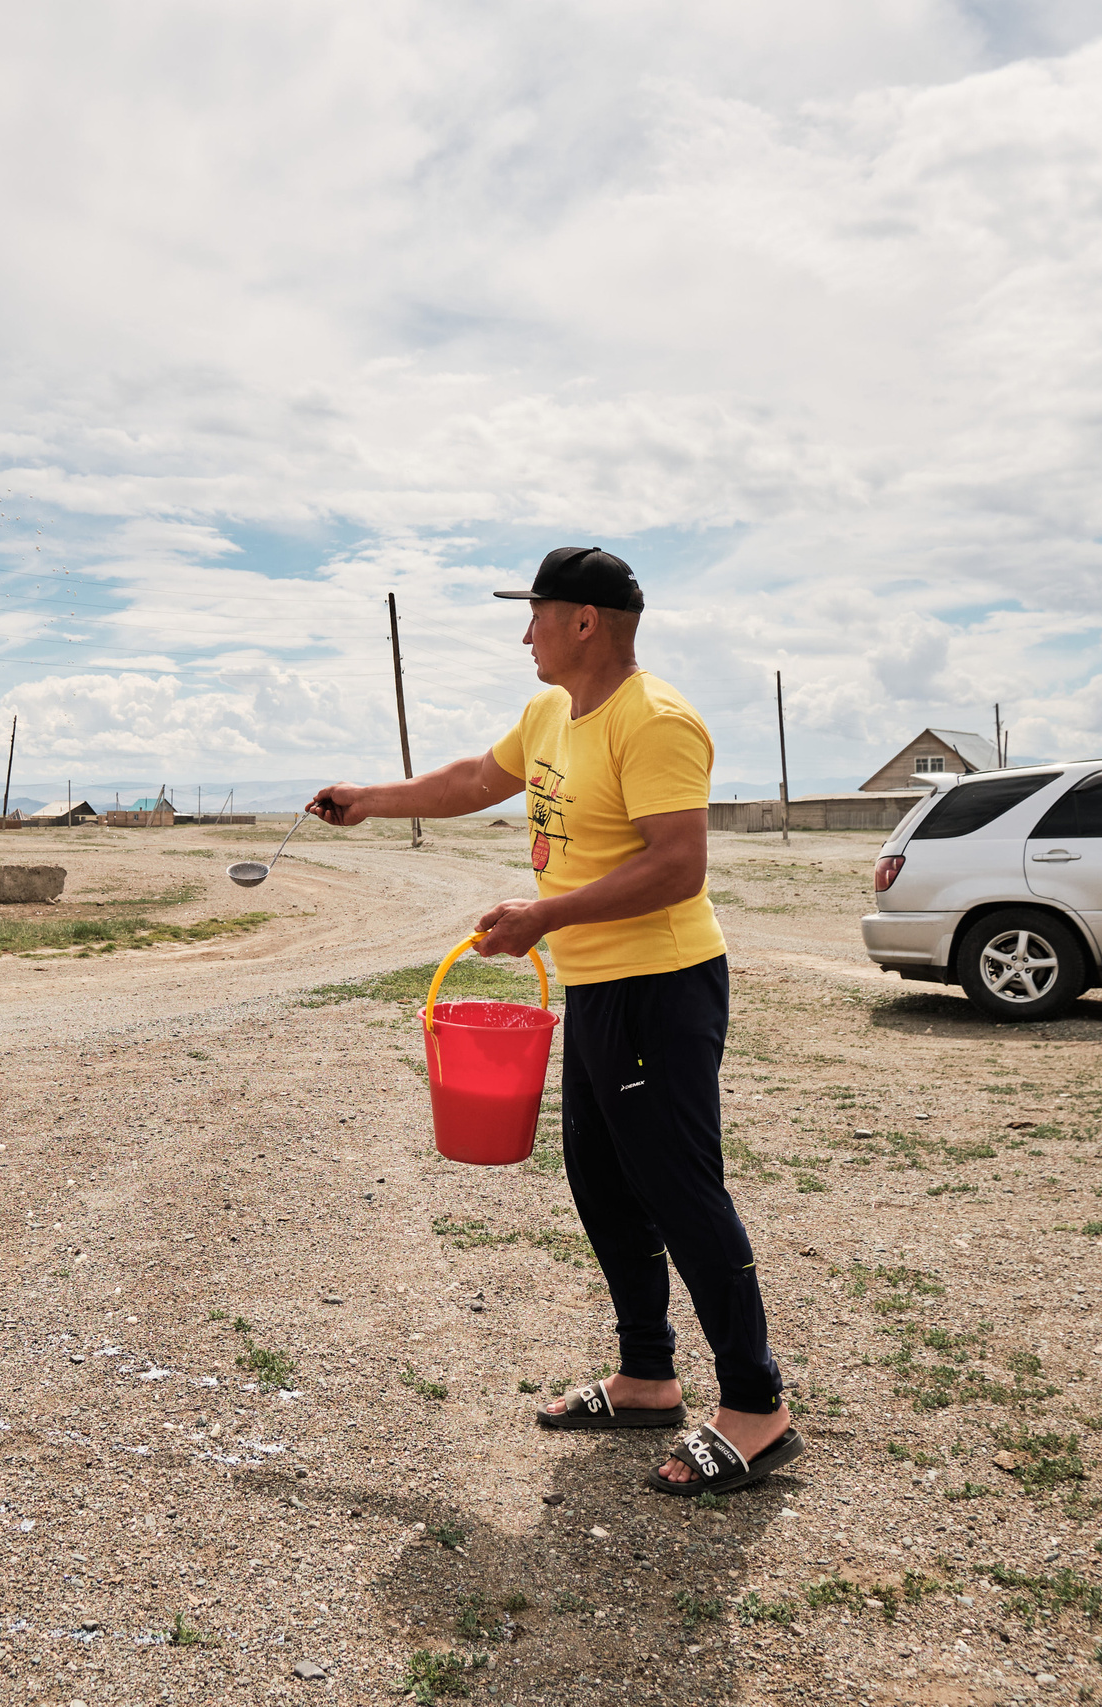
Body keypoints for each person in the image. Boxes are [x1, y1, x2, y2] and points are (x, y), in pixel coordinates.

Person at [309, 545, 799, 1498]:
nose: (523, 632)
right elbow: (472, 780)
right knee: (602, 1183)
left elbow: (679, 864)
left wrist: (544, 916)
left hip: (663, 984)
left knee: (681, 1189)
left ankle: (756, 1403)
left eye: (534, 613)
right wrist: (371, 800)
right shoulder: (549, 713)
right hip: (598, 987)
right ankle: (648, 1375)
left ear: (583, 621)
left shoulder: (655, 720)